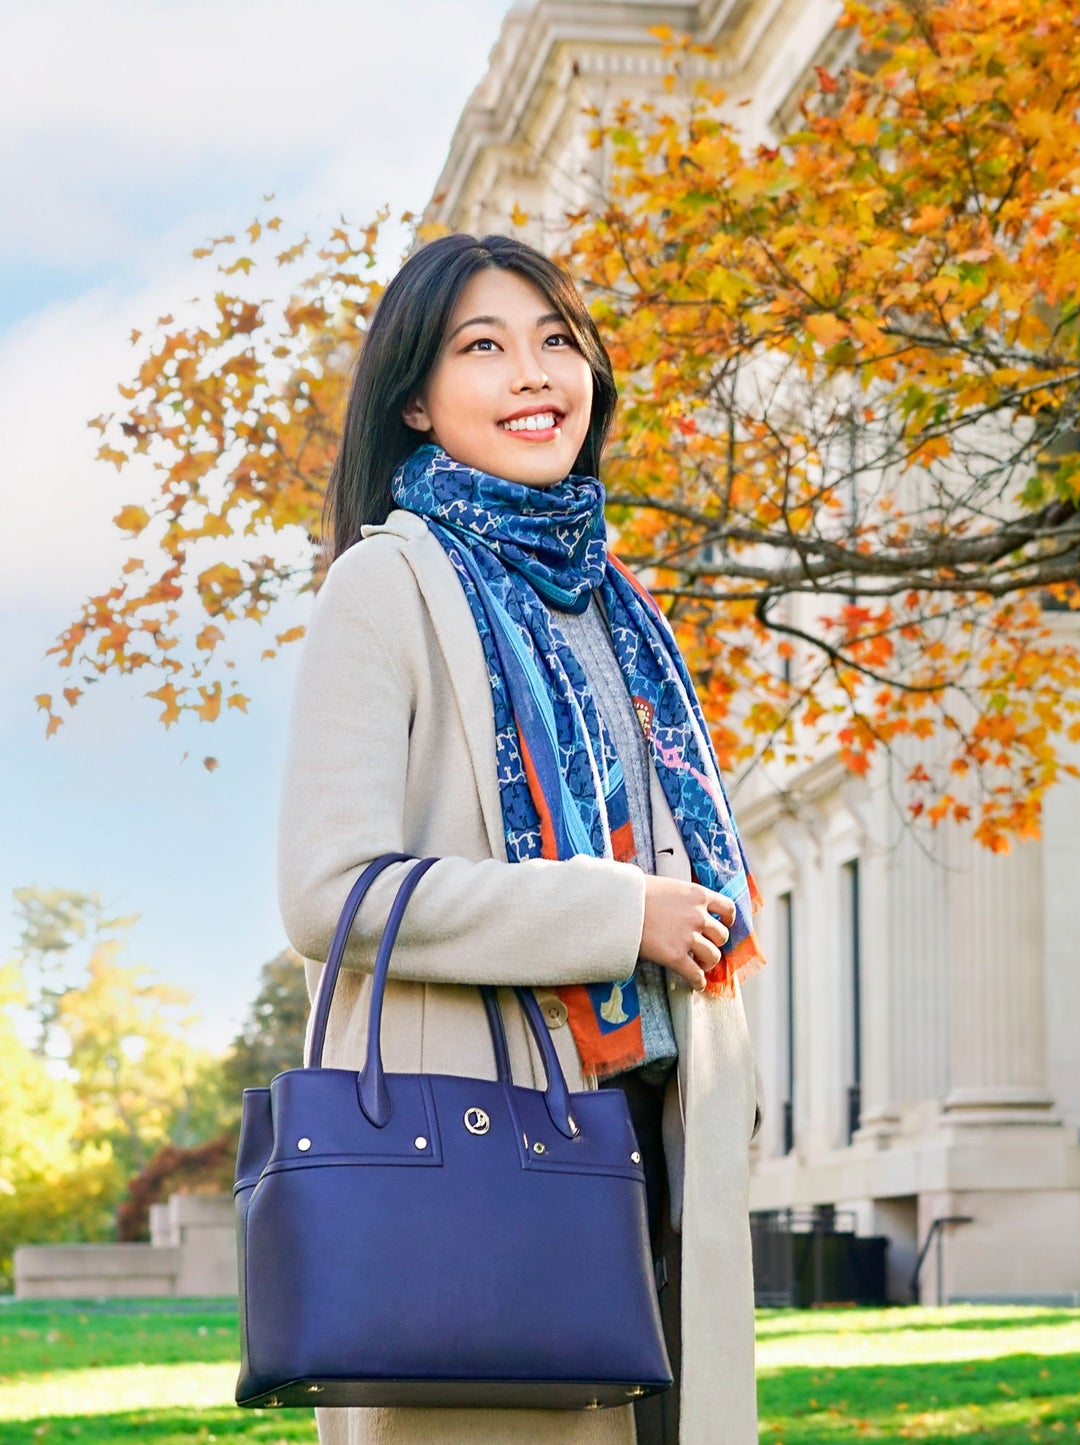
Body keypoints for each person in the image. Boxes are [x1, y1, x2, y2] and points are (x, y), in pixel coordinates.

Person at [276, 232, 764, 1445]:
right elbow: (328, 891)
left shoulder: (619, 600)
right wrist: (613, 912)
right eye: (483, 347)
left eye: (555, 340)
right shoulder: (385, 585)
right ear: (417, 399)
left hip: (651, 1134)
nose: (533, 373)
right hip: (485, 1140)